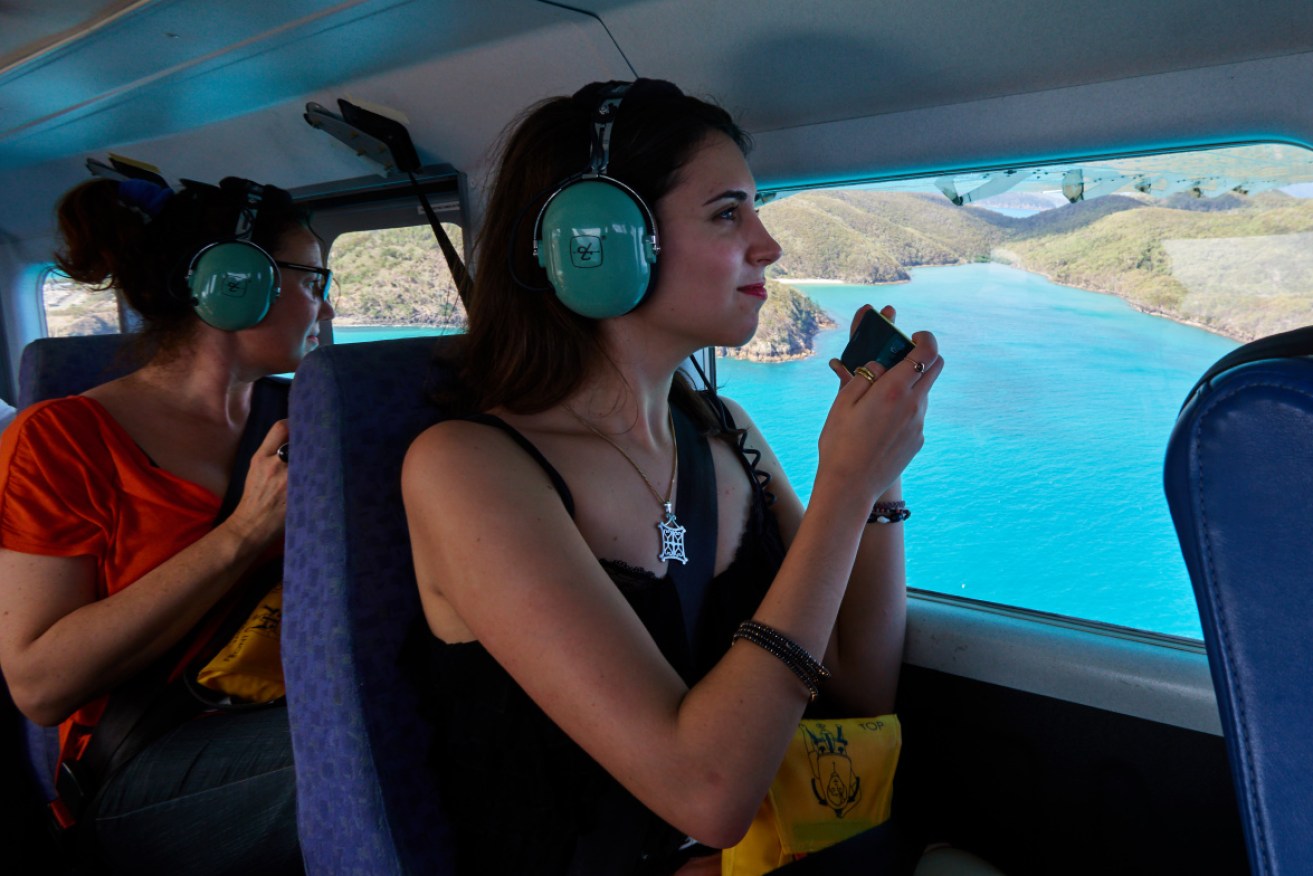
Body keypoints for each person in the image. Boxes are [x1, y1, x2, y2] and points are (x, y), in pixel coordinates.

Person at [401, 79, 978, 876]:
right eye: (726, 213)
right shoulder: (466, 470)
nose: (767, 244)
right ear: (593, 243)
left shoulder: (724, 435)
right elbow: (706, 795)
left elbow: (858, 691)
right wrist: (842, 487)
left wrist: (879, 482)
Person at [0, 175, 333, 874]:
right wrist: (243, 534)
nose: (324, 304)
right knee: (391, 749)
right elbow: (37, 683)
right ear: (232, 283)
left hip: (297, 699)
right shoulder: (60, 440)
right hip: (146, 756)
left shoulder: (310, 413)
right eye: (311, 277)